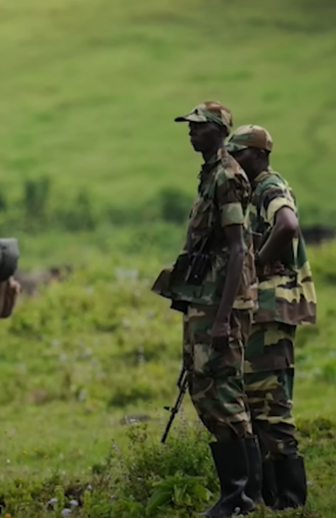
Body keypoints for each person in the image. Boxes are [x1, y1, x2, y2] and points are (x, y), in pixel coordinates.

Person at [151, 101, 260, 517]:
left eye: (199, 126)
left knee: (224, 392)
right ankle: (236, 494)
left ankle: (242, 498)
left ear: (219, 130)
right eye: (190, 126)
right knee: (204, 388)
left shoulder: (228, 177)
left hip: (221, 303)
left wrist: (222, 318)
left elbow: (237, 250)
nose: (191, 132)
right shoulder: (210, 174)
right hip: (205, 298)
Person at [227, 124, 315, 510]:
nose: (234, 160)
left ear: (260, 155)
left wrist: (258, 263)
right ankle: (271, 496)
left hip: (270, 307)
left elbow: (288, 224)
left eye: (240, 153)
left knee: (269, 402)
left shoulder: (268, 187)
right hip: (259, 310)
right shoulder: (251, 193)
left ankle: (290, 501)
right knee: (256, 401)